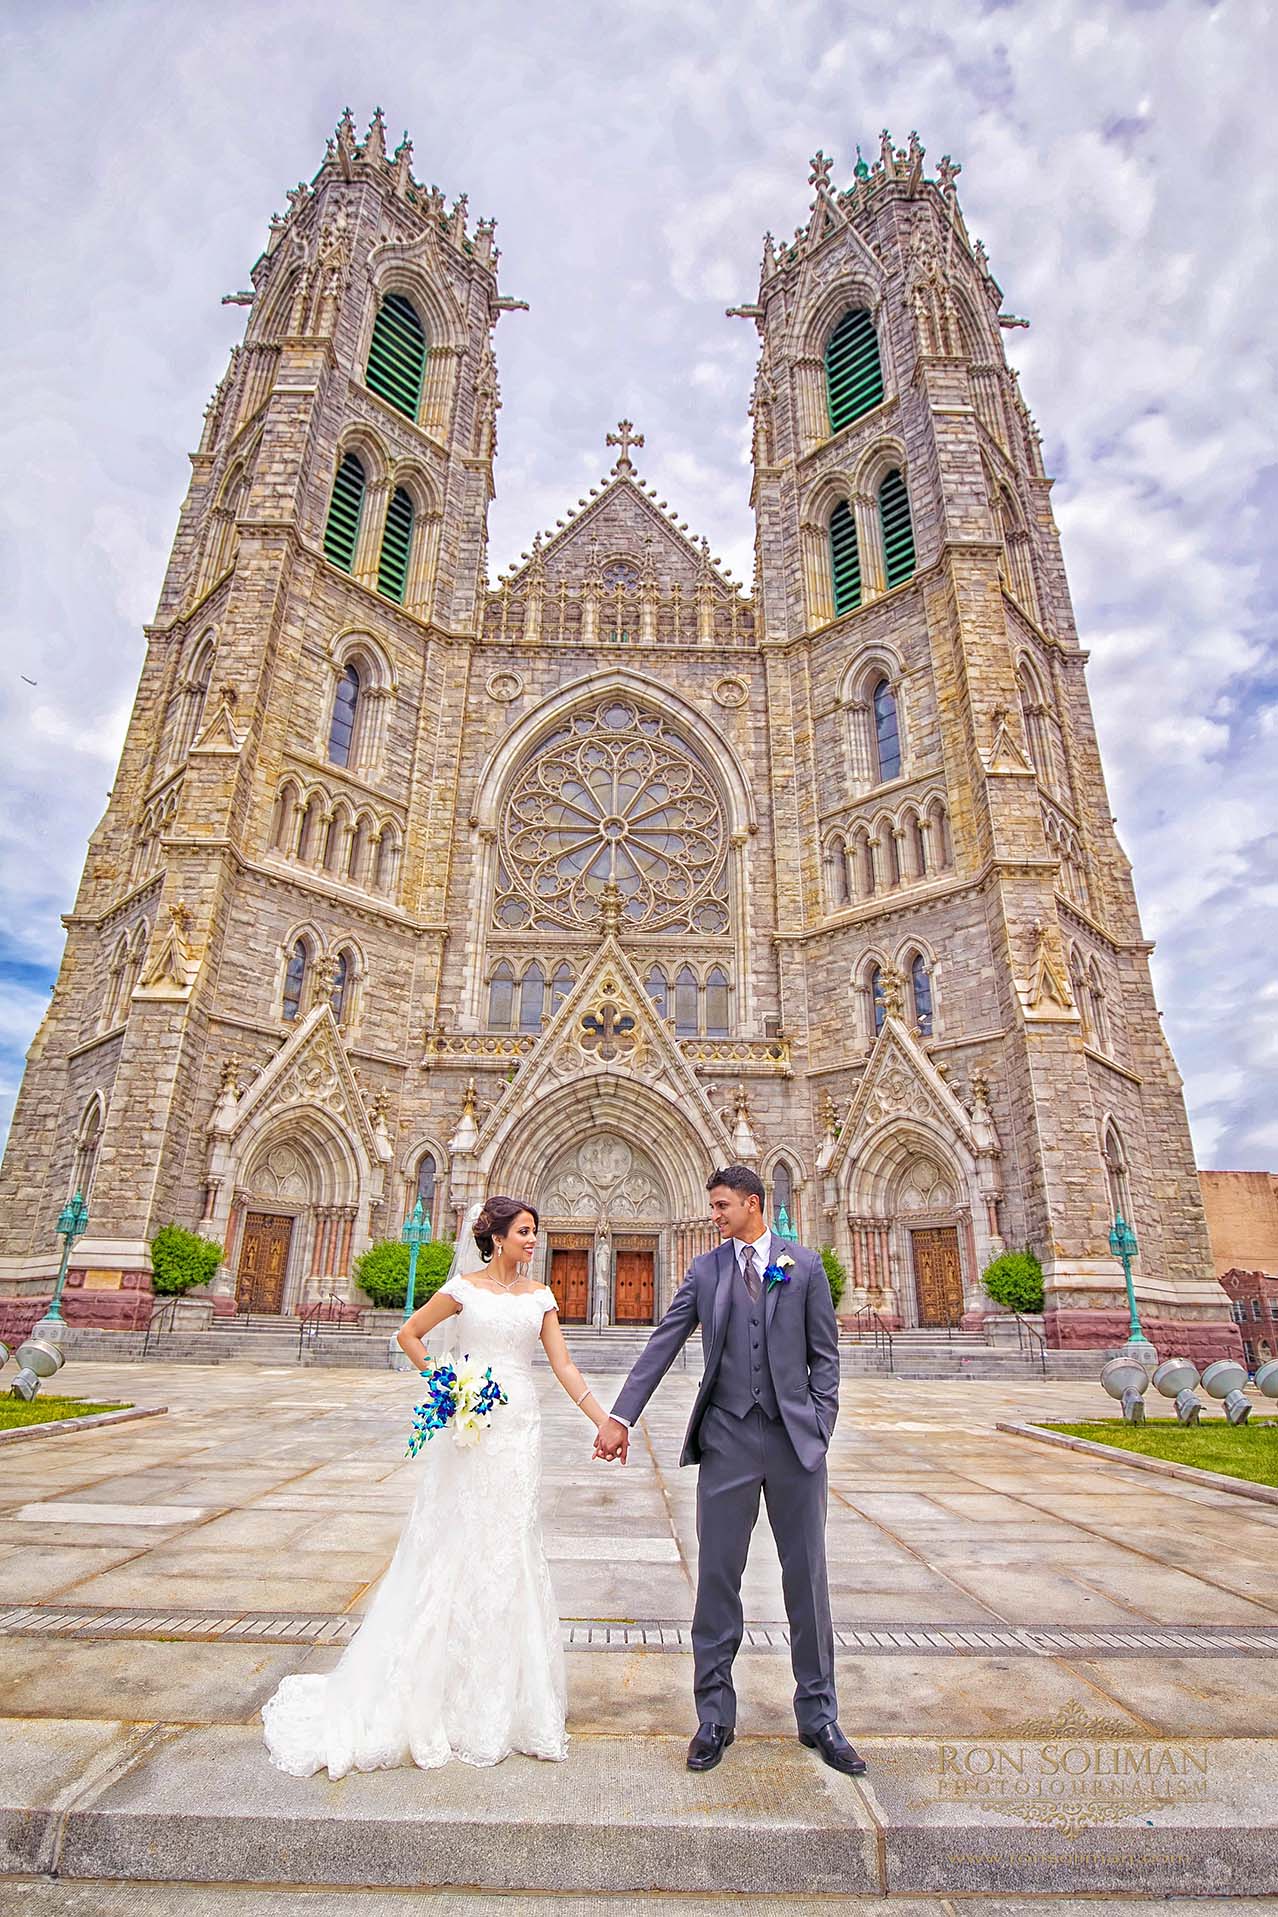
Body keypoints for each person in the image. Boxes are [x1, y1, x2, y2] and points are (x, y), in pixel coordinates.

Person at [262, 1195, 608, 1776]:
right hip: (472, 1429)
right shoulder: (464, 1290)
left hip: (519, 1428)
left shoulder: (541, 1296)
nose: (532, 1241)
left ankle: (501, 1700)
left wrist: (604, 1420)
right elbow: (410, 1334)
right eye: (524, 1232)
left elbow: (565, 1367)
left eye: (535, 1232)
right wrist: (449, 1382)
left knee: (510, 1549)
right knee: (457, 1543)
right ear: (496, 1237)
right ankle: (438, 1692)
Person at [594, 1164, 865, 1778]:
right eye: (711, 1208)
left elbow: (826, 1356)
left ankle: (819, 1714)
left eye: (721, 1206)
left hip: (795, 1444)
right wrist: (620, 1418)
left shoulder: (805, 1265)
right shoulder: (707, 1270)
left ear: (751, 1203)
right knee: (718, 1578)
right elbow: (664, 1341)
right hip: (727, 1440)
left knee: (807, 1580)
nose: (713, 1216)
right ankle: (714, 1715)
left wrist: (819, 1425)